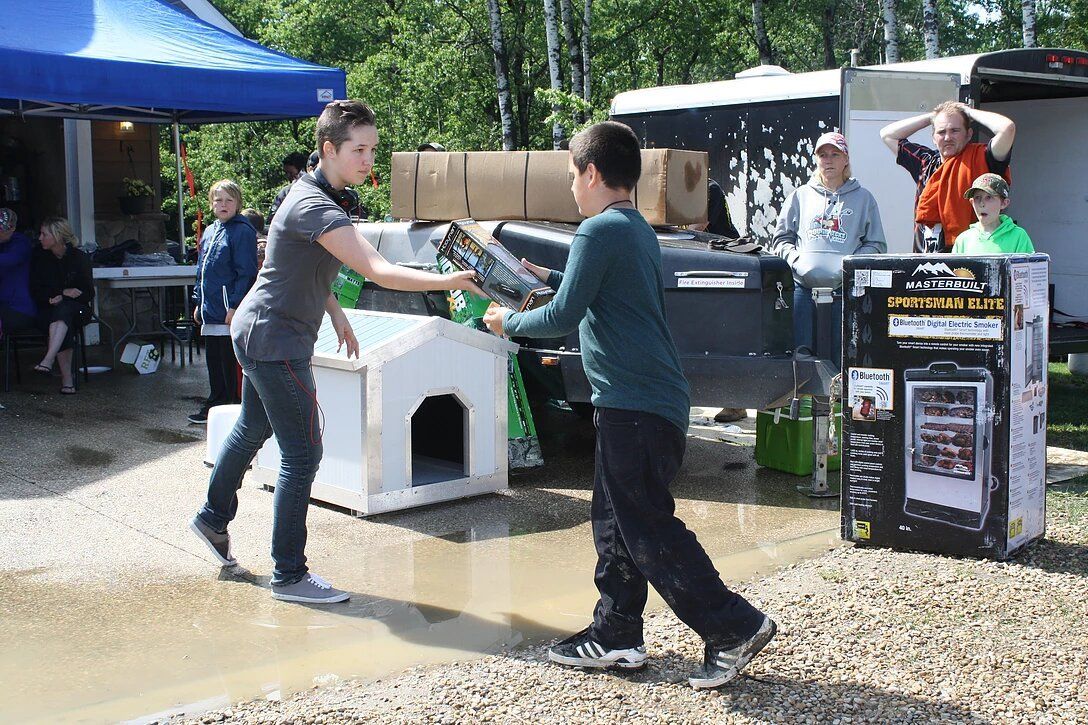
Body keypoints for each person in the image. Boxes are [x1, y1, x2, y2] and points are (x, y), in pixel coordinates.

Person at [483, 121, 777, 690]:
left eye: (573, 175)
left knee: (646, 527)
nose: (571, 186)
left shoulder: (598, 231)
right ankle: (616, 632)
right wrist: (538, 274)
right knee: (614, 521)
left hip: (636, 404)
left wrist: (507, 321)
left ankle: (732, 627)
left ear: (592, 173)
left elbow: (562, 316)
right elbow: (587, 286)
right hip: (638, 402)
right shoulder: (632, 227)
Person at [189, 100, 481, 604]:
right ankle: (289, 574)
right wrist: (449, 278)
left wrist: (338, 314)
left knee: (252, 427)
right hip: (274, 339)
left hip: (264, 330)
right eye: (358, 150)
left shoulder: (318, 194)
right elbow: (376, 270)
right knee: (304, 453)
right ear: (329, 150)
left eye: (372, 148)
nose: (369, 159)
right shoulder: (314, 205)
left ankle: (213, 518)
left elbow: (301, 267)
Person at [771, 132, 886, 359]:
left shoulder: (864, 198)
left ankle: (835, 396)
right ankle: (804, 396)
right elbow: (781, 240)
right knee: (801, 355)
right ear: (816, 160)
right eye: (823, 155)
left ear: (846, 160)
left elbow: (876, 244)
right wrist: (797, 262)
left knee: (838, 356)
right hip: (802, 291)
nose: (828, 160)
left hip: (843, 292)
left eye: (835, 154)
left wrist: (848, 265)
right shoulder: (799, 196)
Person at [880, 101, 1015, 252]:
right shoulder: (925, 162)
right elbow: (887, 135)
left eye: (955, 130)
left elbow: (1007, 129)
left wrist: (969, 112)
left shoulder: (984, 157)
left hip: (969, 259)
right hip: (926, 260)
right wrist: (932, 117)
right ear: (933, 137)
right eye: (941, 132)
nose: (947, 137)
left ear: (968, 134)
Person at [188, 180, 259, 425]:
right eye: (218, 200)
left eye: (229, 200)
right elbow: (202, 270)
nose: (223, 204)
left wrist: (235, 306)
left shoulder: (243, 230)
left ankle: (229, 406)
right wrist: (198, 301)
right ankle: (215, 401)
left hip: (228, 310)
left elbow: (246, 272)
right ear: (211, 203)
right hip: (211, 309)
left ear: (238, 203)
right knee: (214, 360)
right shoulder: (210, 230)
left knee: (229, 363)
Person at [29, 217, 94, 395]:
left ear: (57, 236)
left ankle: (49, 360)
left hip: (79, 309)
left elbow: (88, 293)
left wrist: (67, 295)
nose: (40, 238)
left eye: (44, 234)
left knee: (64, 311)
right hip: (49, 308)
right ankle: (67, 380)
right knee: (60, 315)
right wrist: (60, 293)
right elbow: (36, 289)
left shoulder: (79, 258)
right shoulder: (40, 257)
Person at [952, 173, 1034, 254]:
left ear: (1004, 203)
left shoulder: (1018, 236)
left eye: (989, 197)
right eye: (977, 198)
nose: (981, 204)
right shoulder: (963, 240)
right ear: (972, 202)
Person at [0, 208, 38, 339]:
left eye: (1, 229)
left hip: (18, 308)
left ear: (11, 228)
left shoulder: (21, 243)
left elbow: (11, 259)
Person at [266, 151, 310, 226]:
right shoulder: (284, 193)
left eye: (291, 173)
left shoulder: (315, 191)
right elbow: (271, 219)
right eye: (286, 173)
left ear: (302, 171)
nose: (288, 176)